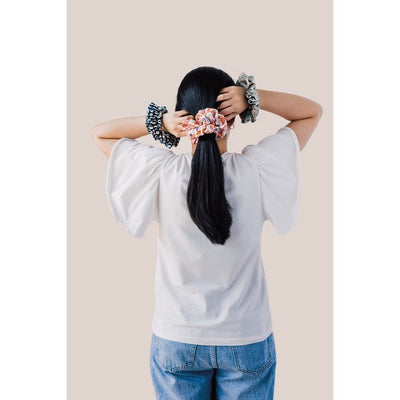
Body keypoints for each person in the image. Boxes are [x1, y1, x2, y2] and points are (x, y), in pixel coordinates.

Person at [91, 66, 323, 399]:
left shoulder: (162, 173)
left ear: (182, 119)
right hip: (246, 336)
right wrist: (252, 96)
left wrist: (160, 123)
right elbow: (311, 113)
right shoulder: (256, 170)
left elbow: (101, 134)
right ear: (233, 117)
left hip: (177, 335)